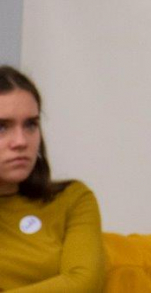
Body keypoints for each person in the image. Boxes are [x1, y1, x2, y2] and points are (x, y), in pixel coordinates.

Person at [0, 65, 105, 291]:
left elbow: (85, 283)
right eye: (2, 128)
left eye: (31, 125)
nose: (21, 141)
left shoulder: (73, 198)